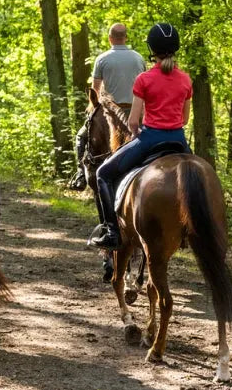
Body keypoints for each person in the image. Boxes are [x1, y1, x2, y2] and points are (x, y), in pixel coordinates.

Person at [88, 22, 192, 250]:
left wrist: (136, 133)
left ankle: (111, 232)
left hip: (150, 139)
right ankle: (191, 230)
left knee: (103, 174)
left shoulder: (144, 79)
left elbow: (134, 121)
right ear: (175, 48)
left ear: (152, 49)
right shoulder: (185, 79)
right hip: (179, 141)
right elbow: (184, 119)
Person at [69, 23, 146, 190]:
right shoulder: (138, 58)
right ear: (125, 38)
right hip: (136, 113)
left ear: (110, 38)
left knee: (81, 137)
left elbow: (95, 93)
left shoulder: (102, 59)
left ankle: (80, 174)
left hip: (109, 115)